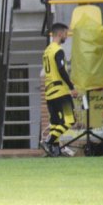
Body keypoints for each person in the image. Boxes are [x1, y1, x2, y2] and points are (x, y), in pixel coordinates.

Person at [39, 23, 78, 157]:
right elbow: (61, 69)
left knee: (55, 123)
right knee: (69, 120)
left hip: (49, 93)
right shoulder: (58, 50)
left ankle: (55, 151)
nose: (66, 37)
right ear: (60, 34)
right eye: (66, 34)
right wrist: (72, 87)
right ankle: (48, 142)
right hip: (60, 91)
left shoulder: (47, 50)